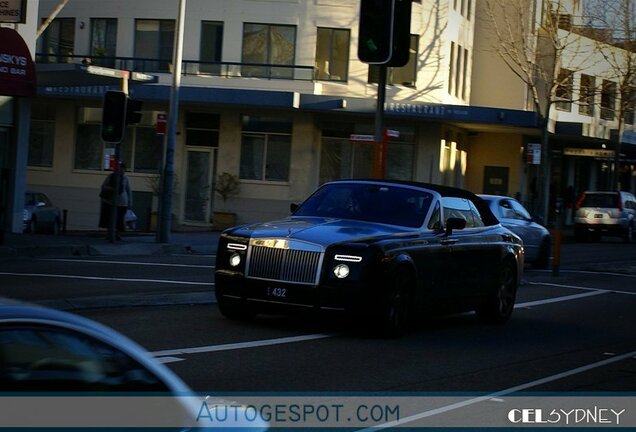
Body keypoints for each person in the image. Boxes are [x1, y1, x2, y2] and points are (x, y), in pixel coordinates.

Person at [99, 162, 133, 240]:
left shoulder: (125, 178)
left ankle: (118, 234)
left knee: (120, 220)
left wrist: (130, 202)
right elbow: (104, 186)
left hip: (122, 202)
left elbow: (128, 190)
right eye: (120, 169)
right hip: (111, 201)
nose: (121, 171)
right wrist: (111, 189)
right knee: (109, 219)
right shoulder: (111, 176)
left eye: (123, 169)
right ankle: (109, 234)